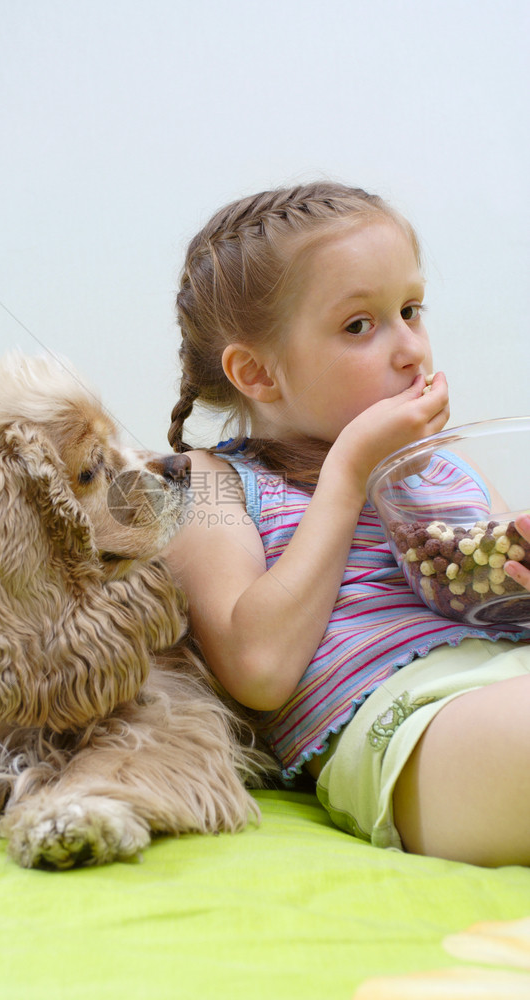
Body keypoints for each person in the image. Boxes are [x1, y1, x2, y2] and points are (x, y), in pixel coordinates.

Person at [164, 182, 530, 868]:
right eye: (359, 325)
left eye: (410, 310)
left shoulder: (448, 473)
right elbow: (259, 669)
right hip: (410, 724)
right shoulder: (210, 484)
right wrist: (350, 470)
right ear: (258, 373)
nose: (410, 350)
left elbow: (495, 601)